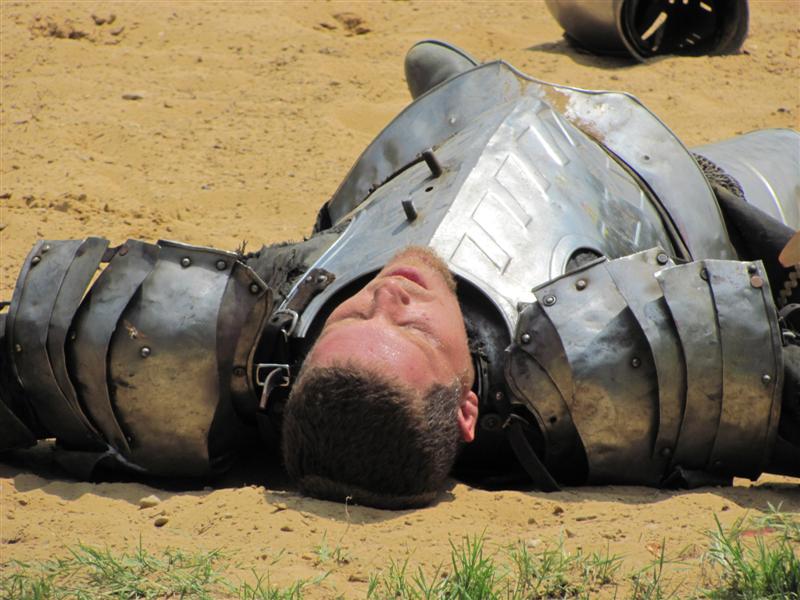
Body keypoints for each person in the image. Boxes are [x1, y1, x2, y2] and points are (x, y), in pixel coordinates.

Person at [1, 41, 798, 508]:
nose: (385, 295)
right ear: (469, 409)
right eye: (410, 329)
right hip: (652, 185)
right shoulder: (599, 379)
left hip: (433, 150)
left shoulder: (259, 330)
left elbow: (26, 351)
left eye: (350, 320)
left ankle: (468, 99)